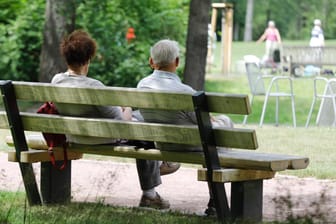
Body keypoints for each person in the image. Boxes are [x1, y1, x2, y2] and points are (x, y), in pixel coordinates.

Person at [51, 30, 178, 210]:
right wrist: (126, 108)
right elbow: (122, 125)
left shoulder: (56, 81)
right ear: (88, 59)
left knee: (141, 121)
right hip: (103, 138)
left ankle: (157, 172)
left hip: (74, 136)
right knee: (144, 122)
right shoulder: (94, 86)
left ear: (67, 58)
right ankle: (152, 189)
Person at [137, 39, 234, 215]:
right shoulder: (186, 92)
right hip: (191, 145)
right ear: (177, 62)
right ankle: (215, 200)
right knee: (224, 123)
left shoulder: (142, 86)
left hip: (162, 144)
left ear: (151, 62)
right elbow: (206, 124)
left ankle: (152, 190)